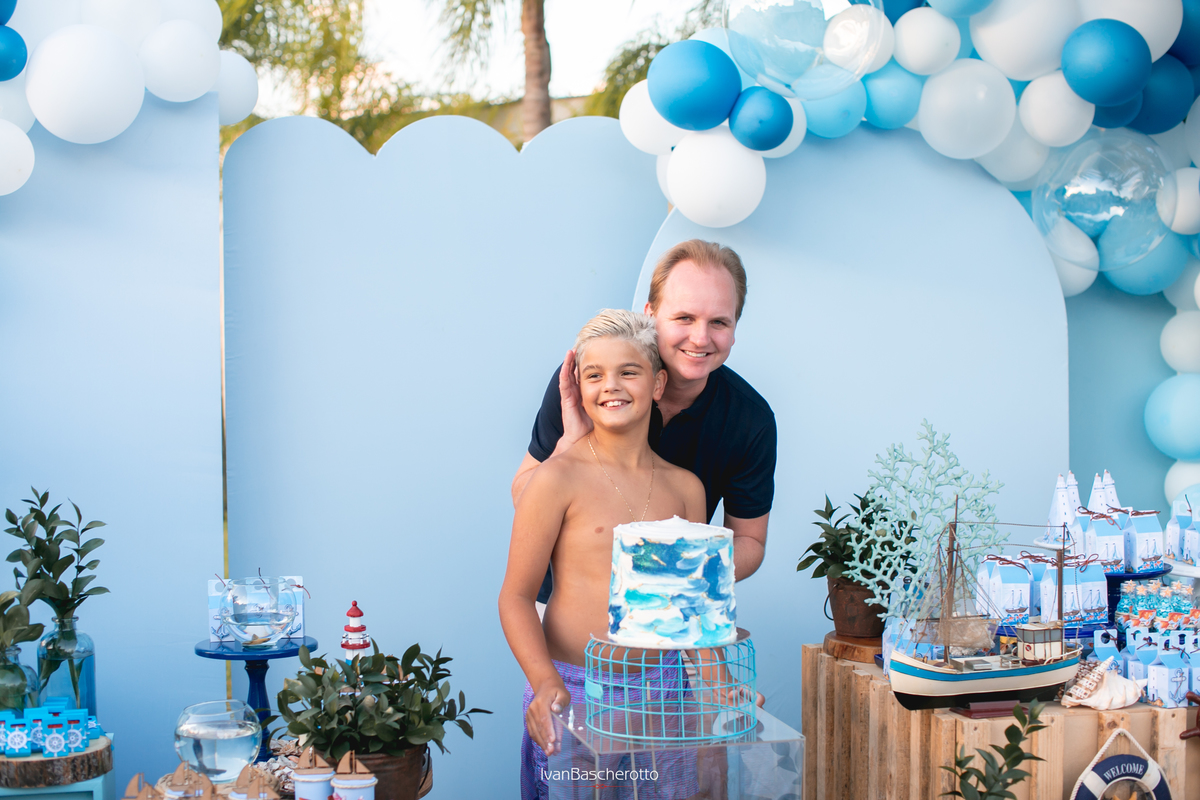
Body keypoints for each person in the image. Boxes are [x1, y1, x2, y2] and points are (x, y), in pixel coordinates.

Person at [499, 309, 706, 800]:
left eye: (628, 372)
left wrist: (723, 687)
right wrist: (544, 680)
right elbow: (516, 597)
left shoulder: (686, 489)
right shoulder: (555, 479)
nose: (610, 386)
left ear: (658, 384)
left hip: (663, 694)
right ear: (578, 387)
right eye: (594, 375)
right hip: (572, 693)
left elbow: (694, 608)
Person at [512, 240, 777, 603]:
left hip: (664, 613)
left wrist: (676, 574)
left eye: (718, 322)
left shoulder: (750, 420)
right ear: (650, 314)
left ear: (734, 328)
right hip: (560, 606)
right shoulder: (587, 382)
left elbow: (750, 540)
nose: (700, 338)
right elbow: (523, 496)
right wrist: (569, 441)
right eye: (684, 318)